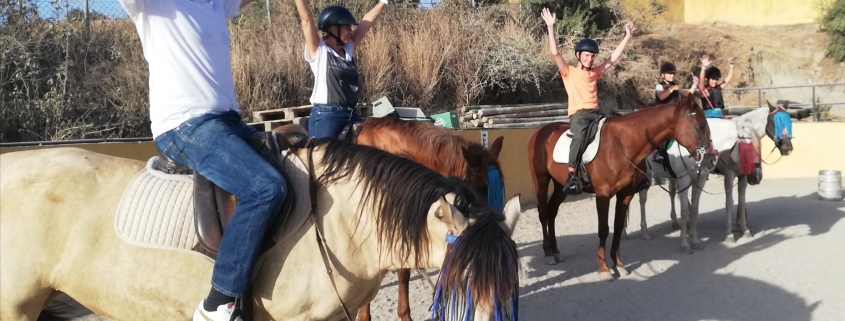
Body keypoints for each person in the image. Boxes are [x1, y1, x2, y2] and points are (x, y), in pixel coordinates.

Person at [115, 0, 287, 320]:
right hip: (185, 125)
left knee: (296, 159)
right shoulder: (153, 5)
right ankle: (217, 302)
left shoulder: (214, 3)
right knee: (264, 187)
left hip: (228, 122)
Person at [541, 7, 635, 194]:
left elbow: (612, 59)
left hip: (596, 114)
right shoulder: (568, 71)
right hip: (579, 116)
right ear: (578, 56)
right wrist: (551, 27)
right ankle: (571, 174)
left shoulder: (595, 72)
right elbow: (555, 54)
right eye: (587, 55)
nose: (590, 59)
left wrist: (627, 36)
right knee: (579, 136)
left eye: (592, 56)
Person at [296, 0, 388, 139]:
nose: (351, 32)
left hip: (351, 113)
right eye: (347, 28)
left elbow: (366, 23)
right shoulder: (319, 50)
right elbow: (306, 20)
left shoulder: (347, 49)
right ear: (334, 30)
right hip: (327, 115)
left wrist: (383, 2)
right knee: (324, 155)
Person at [699, 54, 736, 118]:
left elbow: (729, 77)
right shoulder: (704, 90)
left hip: (720, 116)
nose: (715, 81)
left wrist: (731, 65)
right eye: (713, 79)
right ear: (707, 79)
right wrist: (703, 68)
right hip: (709, 118)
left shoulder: (719, 88)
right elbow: (701, 80)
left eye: (716, 79)